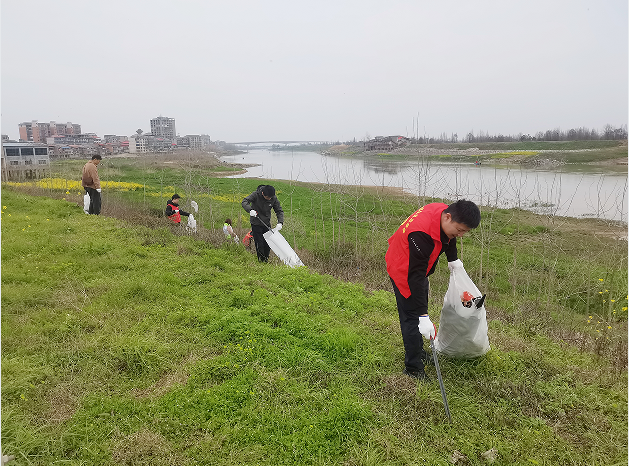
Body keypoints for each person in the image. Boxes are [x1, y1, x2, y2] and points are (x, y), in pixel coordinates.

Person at [385, 199, 481, 381]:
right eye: (460, 230)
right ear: (448, 217)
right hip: (403, 269)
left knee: (419, 309)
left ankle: (419, 351)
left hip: (417, 268)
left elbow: (449, 237)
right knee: (411, 318)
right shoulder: (421, 235)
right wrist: (422, 315)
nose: (460, 235)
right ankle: (413, 368)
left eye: (465, 232)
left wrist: (453, 259)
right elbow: (415, 277)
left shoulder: (444, 213)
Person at [241, 184, 284, 262]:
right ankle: (261, 262)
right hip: (256, 223)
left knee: (268, 244)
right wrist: (250, 210)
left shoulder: (273, 198)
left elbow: (279, 210)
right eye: (268, 197)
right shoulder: (255, 195)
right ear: (263, 193)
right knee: (259, 244)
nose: (269, 199)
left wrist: (280, 222)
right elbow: (244, 201)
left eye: (271, 197)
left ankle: (266, 260)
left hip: (266, 224)